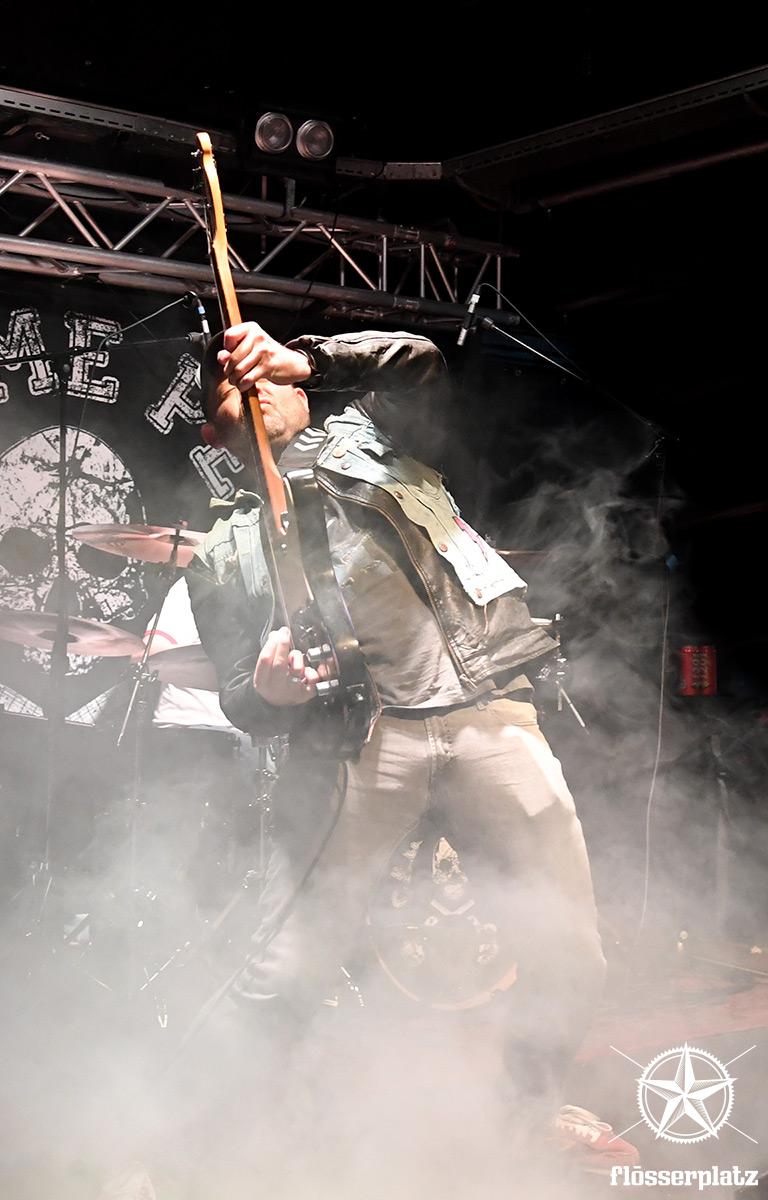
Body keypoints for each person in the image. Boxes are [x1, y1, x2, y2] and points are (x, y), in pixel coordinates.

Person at [186, 321, 636, 1176]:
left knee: (569, 949)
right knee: (289, 963)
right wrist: (269, 692)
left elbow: (421, 360)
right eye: (235, 391)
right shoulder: (219, 552)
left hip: (486, 712)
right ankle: (227, 1146)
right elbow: (239, 691)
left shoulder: (376, 438)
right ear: (216, 434)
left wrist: (305, 356)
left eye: (272, 379)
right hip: (362, 744)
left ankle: (527, 1115)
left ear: (302, 394)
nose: (259, 389)